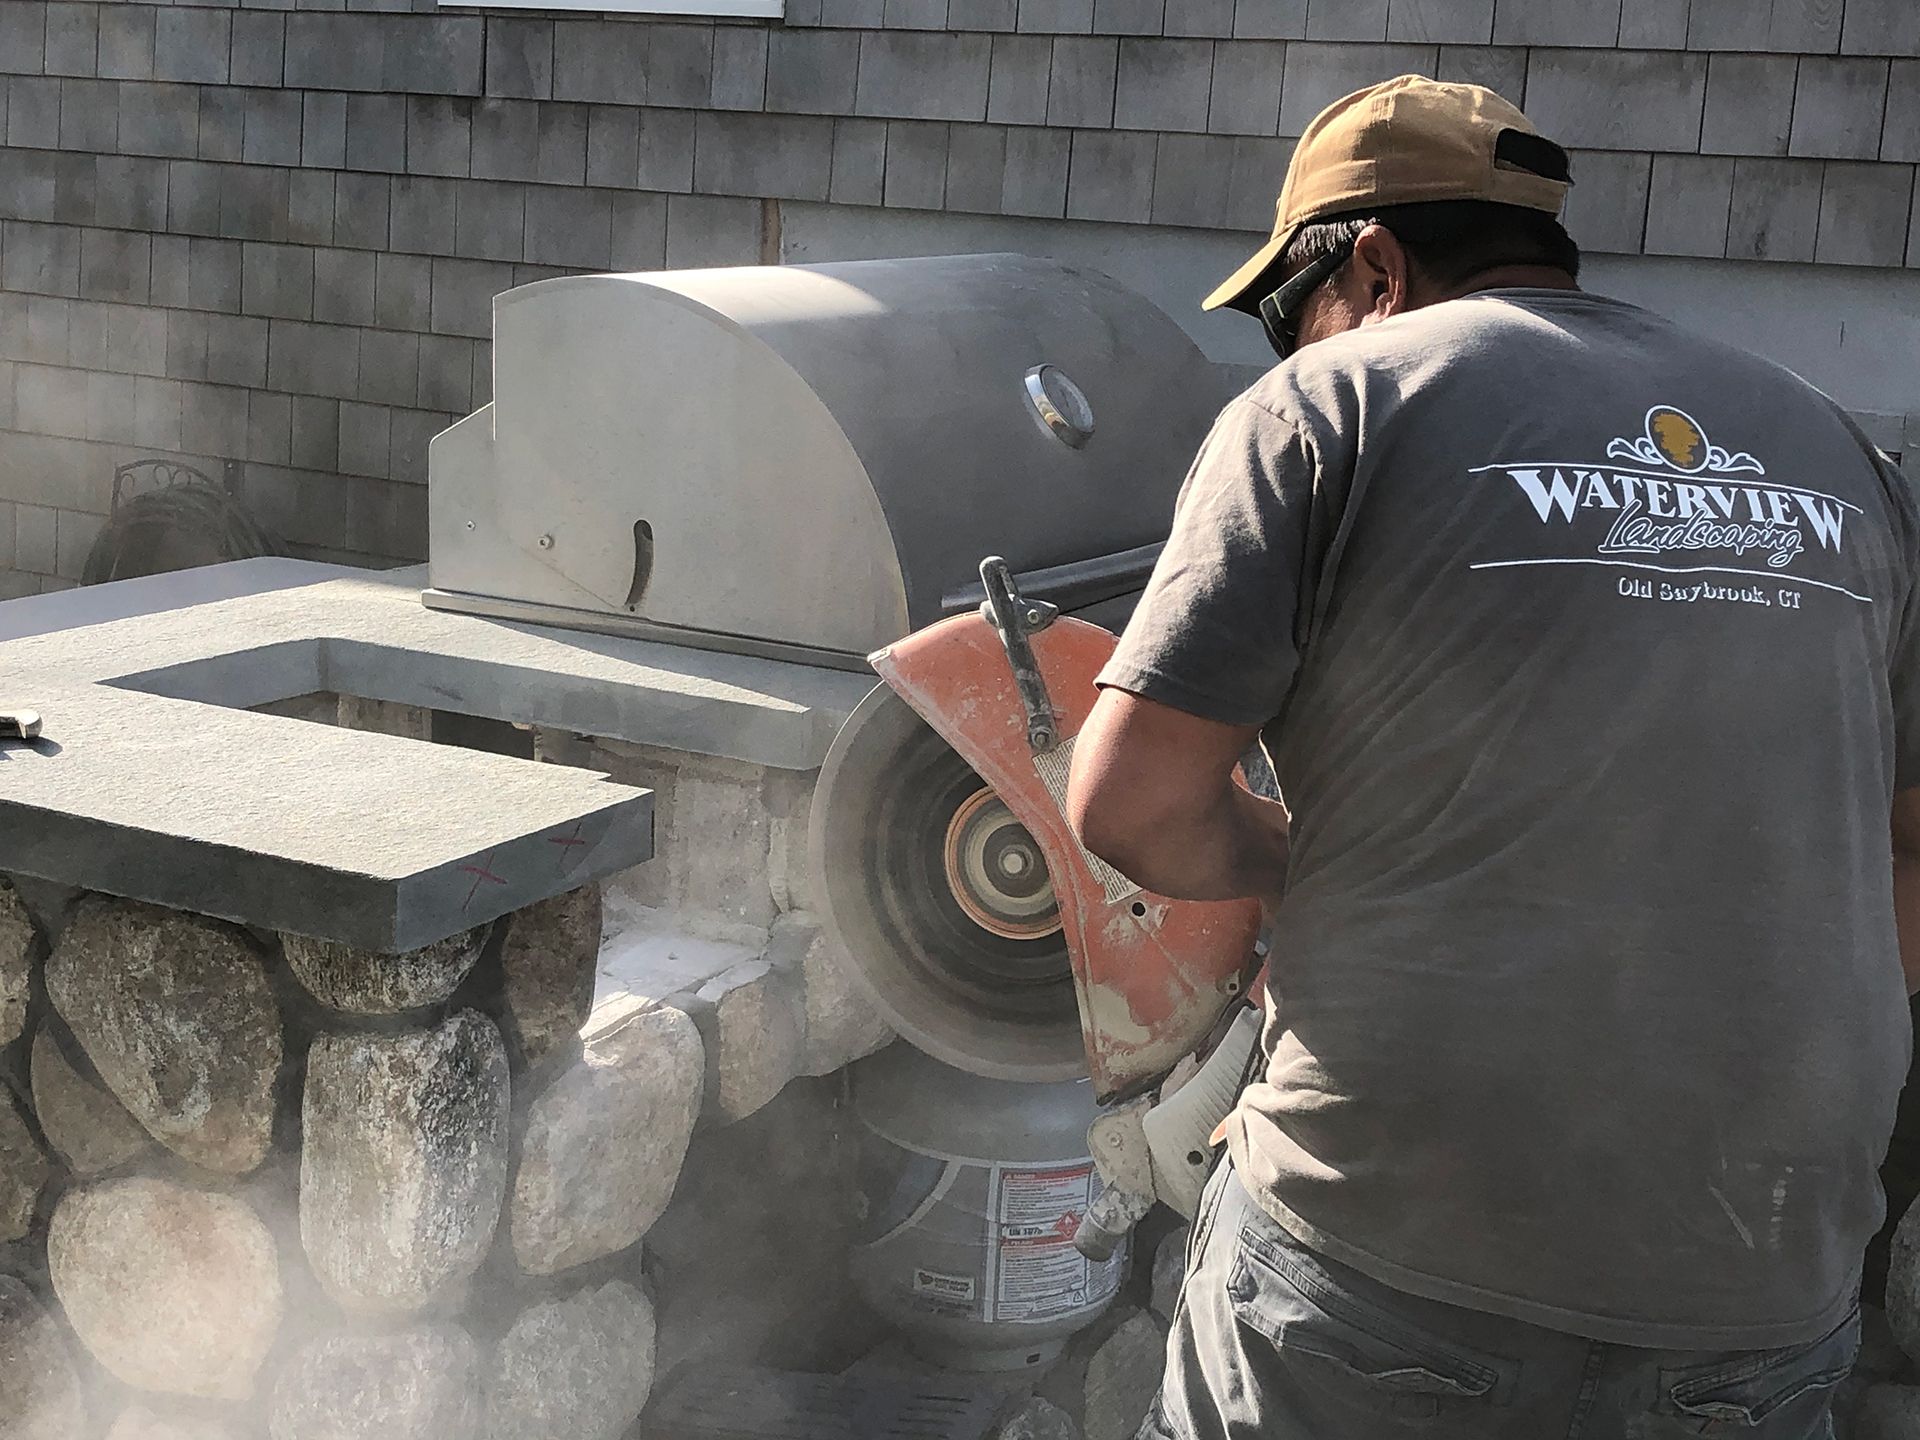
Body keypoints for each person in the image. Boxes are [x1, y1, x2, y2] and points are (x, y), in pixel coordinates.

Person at [1065, 75, 1920, 1440]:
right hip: (1766, 1279)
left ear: (1376, 264)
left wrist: (1297, 862)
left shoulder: (1333, 408)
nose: (1288, 351)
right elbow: (1900, 859)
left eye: (1288, 313)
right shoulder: (1835, 447)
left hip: (1389, 1270)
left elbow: (1133, 804)